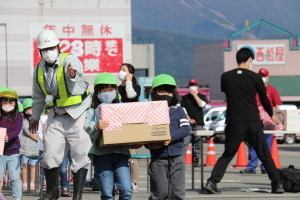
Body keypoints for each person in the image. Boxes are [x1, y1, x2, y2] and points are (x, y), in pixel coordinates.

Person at [203, 47, 284, 194]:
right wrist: (271, 113)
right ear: (250, 60)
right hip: (252, 120)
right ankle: (277, 184)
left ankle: (212, 182)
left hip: (234, 120)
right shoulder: (255, 77)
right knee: (264, 153)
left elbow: (229, 94)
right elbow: (264, 99)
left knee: (228, 154)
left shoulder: (226, 76)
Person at [29, 29, 92, 200]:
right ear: (40, 51)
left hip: (78, 114)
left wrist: (72, 75)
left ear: (58, 47)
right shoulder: (39, 70)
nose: (49, 52)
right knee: (50, 154)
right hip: (56, 115)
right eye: (45, 49)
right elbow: (38, 97)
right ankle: (52, 192)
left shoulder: (70, 61)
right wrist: (35, 117)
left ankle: (77, 195)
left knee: (80, 154)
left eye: (51, 47)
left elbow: (77, 76)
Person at [84, 72, 133, 199]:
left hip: (121, 153)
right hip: (102, 155)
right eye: (103, 89)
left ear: (116, 91)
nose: (107, 92)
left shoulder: (122, 108)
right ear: (97, 92)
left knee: (127, 189)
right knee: (107, 192)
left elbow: (132, 127)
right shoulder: (92, 110)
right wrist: (96, 126)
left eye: (111, 89)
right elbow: (88, 129)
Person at [146, 74, 190, 200]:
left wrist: (171, 137)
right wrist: (148, 144)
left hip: (177, 158)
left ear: (174, 93)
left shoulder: (179, 110)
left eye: (169, 91)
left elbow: (186, 129)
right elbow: (143, 132)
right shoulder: (149, 111)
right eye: (161, 91)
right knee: (159, 193)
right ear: (153, 92)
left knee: (177, 193)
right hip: (158, 159)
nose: (166, 94)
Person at [240, 68, 282, 174]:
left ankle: (265, 167)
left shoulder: (272, 90)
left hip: (268, 122)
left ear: (267, 78)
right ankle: (251, 166)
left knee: (267, 145)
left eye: (263, 76)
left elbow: (277, 105)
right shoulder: (252, 89)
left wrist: (279, 121)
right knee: (253, 144)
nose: (262, 78)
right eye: (260, 76)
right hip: (254, 119)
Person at [117, 63, 141, 191]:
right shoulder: (117, 89)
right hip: (119, 124)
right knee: (119, 153)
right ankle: (120, 181)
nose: (121, 72)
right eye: (120, 70)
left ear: (131, 74)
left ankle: (134, 182)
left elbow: (131, 95)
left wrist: (129, 82)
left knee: (132, 155)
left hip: (131, 124)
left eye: (124, 70)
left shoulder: (136, 87)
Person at [0, 88, 23, 200]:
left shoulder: (18, 116)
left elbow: (17, 130)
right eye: (4, 102)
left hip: (13, 152)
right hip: (0, 153)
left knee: (15, 177)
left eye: (10, 102)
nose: (7, 105)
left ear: (15, 103)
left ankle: (17, 198)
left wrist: (8, 136)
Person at [181, 79, 207, 167]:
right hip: (187, 123)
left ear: (197, 87)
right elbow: (183, 110)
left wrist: (194, 95)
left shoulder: (202, 96)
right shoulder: (184, 98)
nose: (192, 87)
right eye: (191, 85)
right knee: (185, 142)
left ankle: (196, 160)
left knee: (198, 143)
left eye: (194, 85)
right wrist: (189, 119)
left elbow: (202, 105)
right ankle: (181, 160)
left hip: (199, 123)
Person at [20, 98, 40, 191]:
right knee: (25, 164)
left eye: (32, 108)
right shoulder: (24, 119)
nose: (31, 110)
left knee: (33, 165)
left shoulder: (38, 118)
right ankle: (24, 183)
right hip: (26, 145)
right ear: (25, 109)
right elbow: (28, 132)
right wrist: (39, 140)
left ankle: (32, 183)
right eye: (29, 108)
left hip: (35, 146)